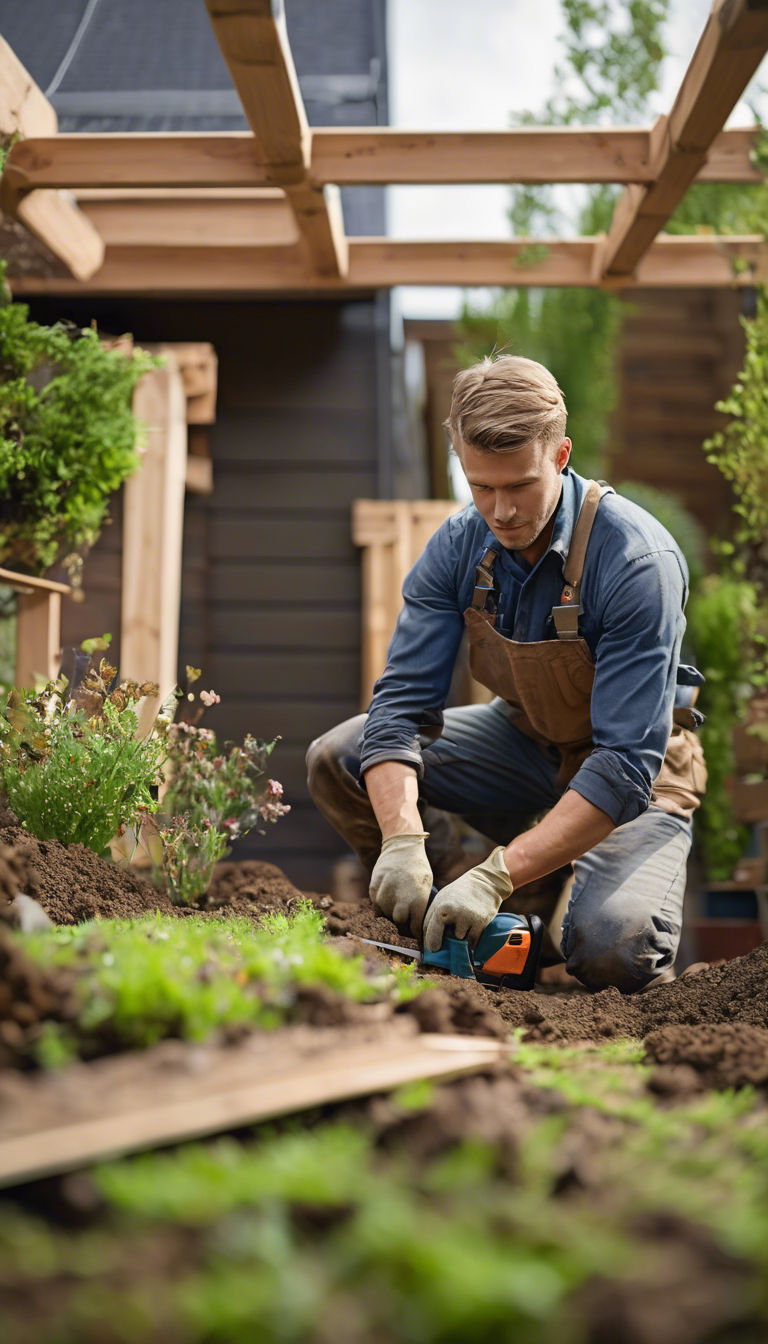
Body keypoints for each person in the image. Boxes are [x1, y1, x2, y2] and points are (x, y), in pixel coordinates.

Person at [306, 355, 707, 993]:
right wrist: (403, 837)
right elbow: (399, 710)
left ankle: (526, 909)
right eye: (480, 486)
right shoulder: (460, 543)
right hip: (522, 744)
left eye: (519, 485)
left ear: (561, 455)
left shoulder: (636, 561)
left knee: (611, 949)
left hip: (638, 775)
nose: (501, 511)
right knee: (341, 755)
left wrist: (496, 873)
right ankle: (451, 926)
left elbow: (625, 764)